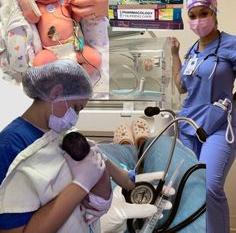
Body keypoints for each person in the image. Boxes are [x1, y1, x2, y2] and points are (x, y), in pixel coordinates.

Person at [0, 60, 173, 232]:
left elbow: (111, 171)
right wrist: (81, 185)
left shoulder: (57, 133)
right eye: (76, 108)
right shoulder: (11, 144)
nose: (75, 118)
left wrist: (135, 181)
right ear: (56, 92)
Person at [170, 0, 236, 233]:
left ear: (214, 13)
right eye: (193, 15)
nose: (198, 20)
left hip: (219, 127)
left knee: (209, 186)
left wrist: (230, 104)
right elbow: (181, 86)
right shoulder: (192, 51)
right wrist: (175, 54)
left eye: (203, 13)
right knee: (189, 186)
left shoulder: (230, 44)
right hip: (188, 127)